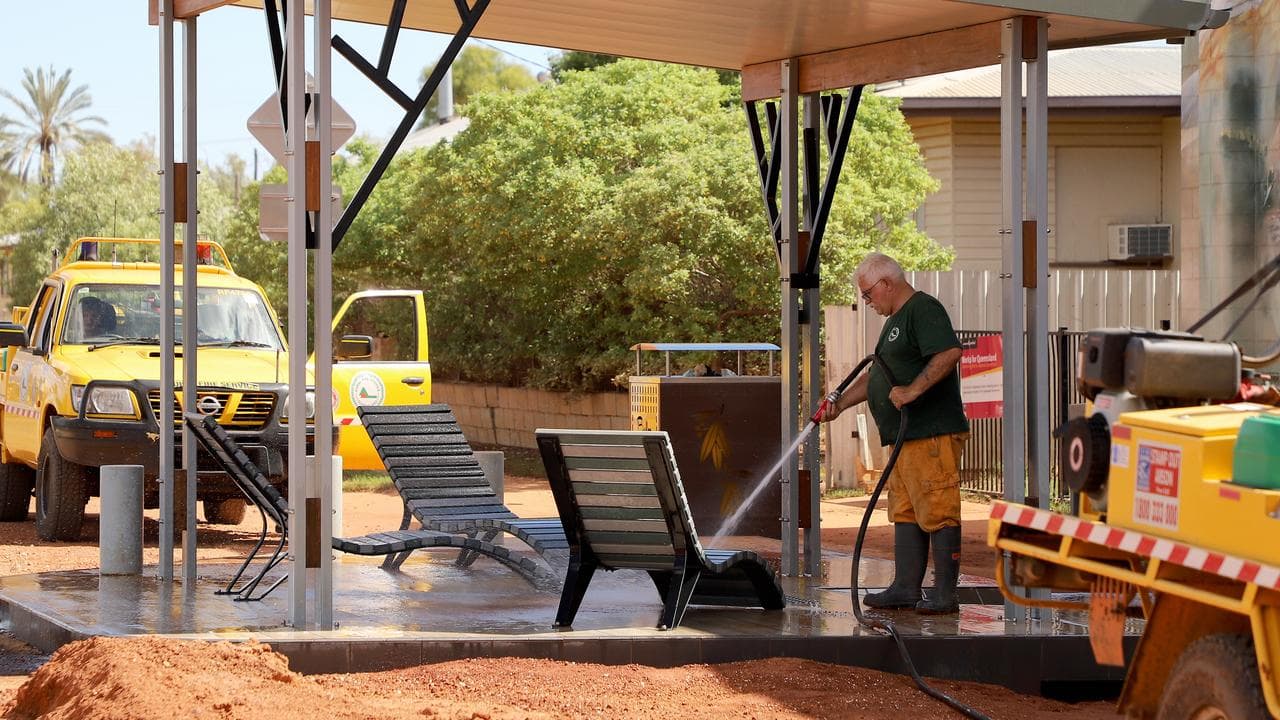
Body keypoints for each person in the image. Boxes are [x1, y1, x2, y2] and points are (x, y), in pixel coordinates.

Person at [816, 252, 969, 614]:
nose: (867, 301)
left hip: (930, 433)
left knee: (937, 506)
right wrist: (838, 405)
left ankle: (945, 594)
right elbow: (876, 376)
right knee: (905, 509)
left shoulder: (923, 309)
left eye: (868, 293)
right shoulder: (894, 322)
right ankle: (905, 587)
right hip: (904, 438)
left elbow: (948, 353)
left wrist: (913, 390)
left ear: (886, 283)